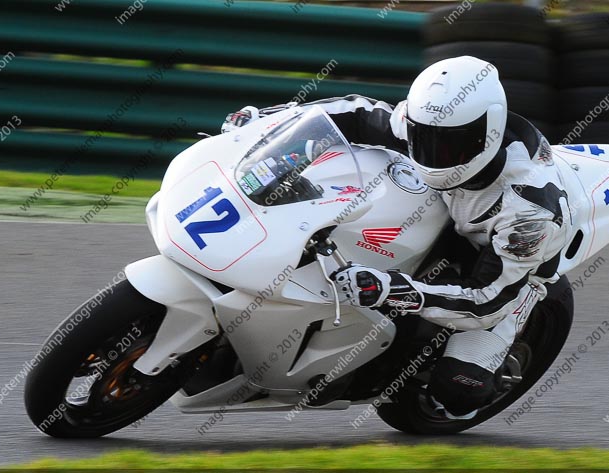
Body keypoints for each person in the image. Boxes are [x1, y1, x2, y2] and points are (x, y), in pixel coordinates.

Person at [221, 56, 572, 420]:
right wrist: (267, 125)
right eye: (423, 138)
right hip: (446, 211)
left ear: (488, 135)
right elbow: (350, 114)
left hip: (503, 271)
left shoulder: (529, 212)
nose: (432, 154)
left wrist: (390, 289)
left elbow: (486, 301)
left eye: (449, 145)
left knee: (458, 391)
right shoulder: (426, 124)